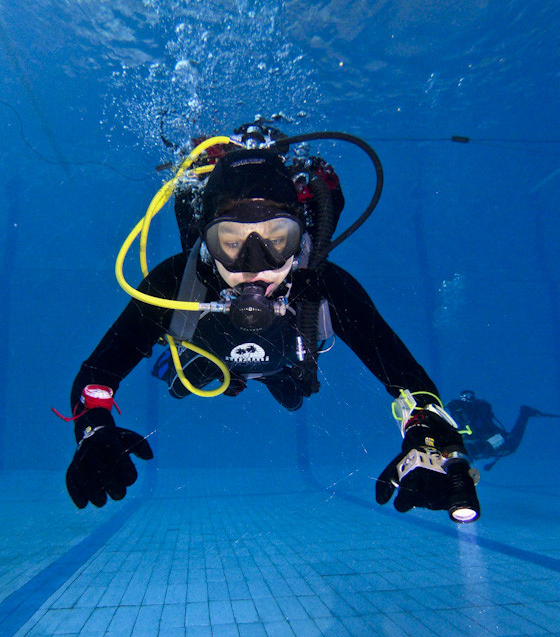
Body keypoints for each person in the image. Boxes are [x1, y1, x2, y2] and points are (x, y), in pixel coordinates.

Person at [61, 128, 481, 522]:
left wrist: (426, 435)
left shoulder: (324, 285)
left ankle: (279, 378)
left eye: (276, 239)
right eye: (231, 242)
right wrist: (93, 429)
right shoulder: (176, 281)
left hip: (289, 359)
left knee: (294, 387)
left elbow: (406, 377)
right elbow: (100, 372)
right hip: (211, 357)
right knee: (192, 376)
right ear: (206, 241)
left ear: (299, 239)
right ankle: (241, 376)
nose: (254, 266)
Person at [446, 390, 557, 470]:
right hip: (479, 443)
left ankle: (525, 414)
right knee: (510, 445)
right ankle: (525, 414)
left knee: (506, 445)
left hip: (471, 444)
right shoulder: (477, 410)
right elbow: (488, 428)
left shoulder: (458, 410)